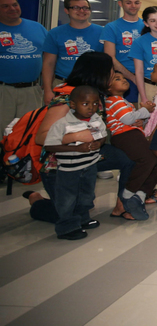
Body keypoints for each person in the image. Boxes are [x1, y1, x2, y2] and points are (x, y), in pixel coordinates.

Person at [32, 52, 134, 222]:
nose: (113, 74)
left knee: (129, 159)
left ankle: (123, 205)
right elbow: (41, 138)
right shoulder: (68, 98)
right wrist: (76, 136)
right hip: (61, 165)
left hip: (90, 156)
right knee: (70, 216)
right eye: (111, 70)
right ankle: (36, 201)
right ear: (98, 72)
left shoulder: (96, 95)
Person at [42, 85, 106, 240]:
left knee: (86, 195)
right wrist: (77, 149)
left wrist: (100, 142)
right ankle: (67, 227)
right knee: (67, 199)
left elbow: (102, 135)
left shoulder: (97, 120)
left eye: (95, 103)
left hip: (90, 165)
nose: (91, 108)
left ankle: (83, 219)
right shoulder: (62, 124)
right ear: (72, 105)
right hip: (69, 169)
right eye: (85, 104)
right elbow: (49, 145)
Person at [104, 71, 157, 220]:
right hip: (125, 136)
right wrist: (145, 111)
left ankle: (140, 195)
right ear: (108, 87)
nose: (123, 80)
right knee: (148, 160)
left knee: (155, 164)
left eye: (123, 78)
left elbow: (133, 120)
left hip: (133, 134)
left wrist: (140, 120)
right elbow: (128, 119)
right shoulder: (113, 100)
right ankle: (129, 194)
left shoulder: (125, 102)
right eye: (118, 79)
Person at [41, 0, 103, 105]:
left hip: (92, 86)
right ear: (66, 10)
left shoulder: (102, 32)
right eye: (75, 7)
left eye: (85, 8)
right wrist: (47, 91)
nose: (81, 11)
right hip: (63, 85)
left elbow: (107, 62)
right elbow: (48, 64)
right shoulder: (55, 33)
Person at [0, 0, 47, 132]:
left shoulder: (37, 28)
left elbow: (48, 57)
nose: (12, 9)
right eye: (5, 6)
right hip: (3, 91)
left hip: (31, 90)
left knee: (29, 131)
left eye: (15, 5)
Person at [100, 0, 144, 103]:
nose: (133, 6)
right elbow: (110, 58)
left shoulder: (148, 26)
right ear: (120, 4)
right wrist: (133, 78)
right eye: (128, 2)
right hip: (125, 80)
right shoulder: (112, 27)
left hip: (146, 79)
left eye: (136, 2)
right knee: (127, 116)